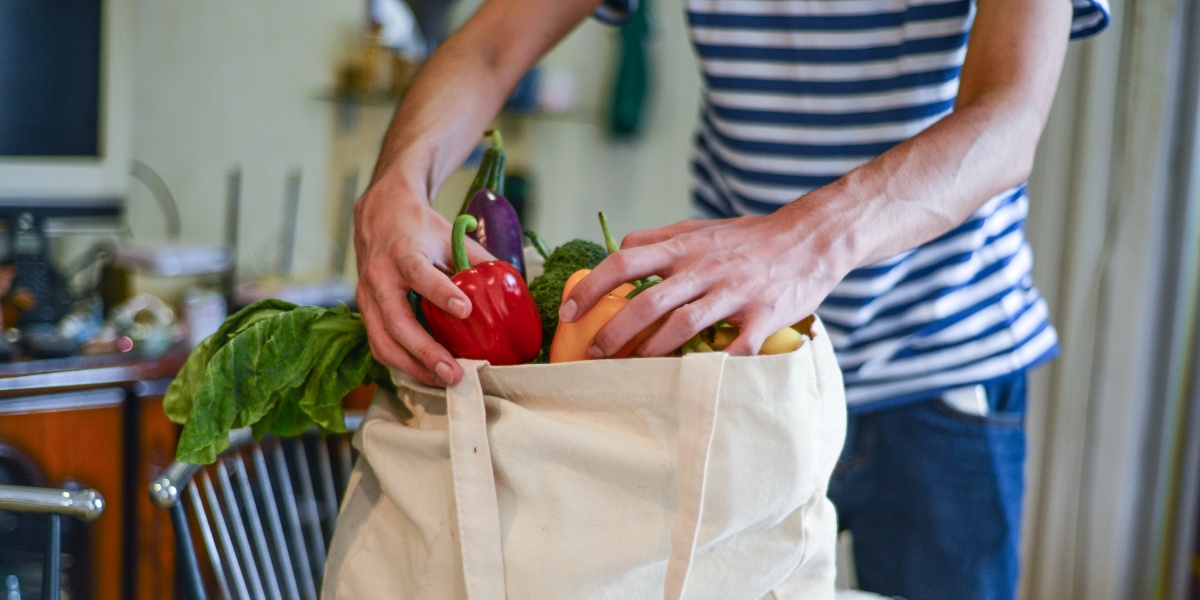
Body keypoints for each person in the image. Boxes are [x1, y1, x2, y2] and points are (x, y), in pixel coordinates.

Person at [351, 0, 1109, 596]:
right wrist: (396, 184)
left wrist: (804, 242)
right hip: (727, 378)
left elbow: (1009, 115)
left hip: (940, 367)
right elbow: (489, 46)